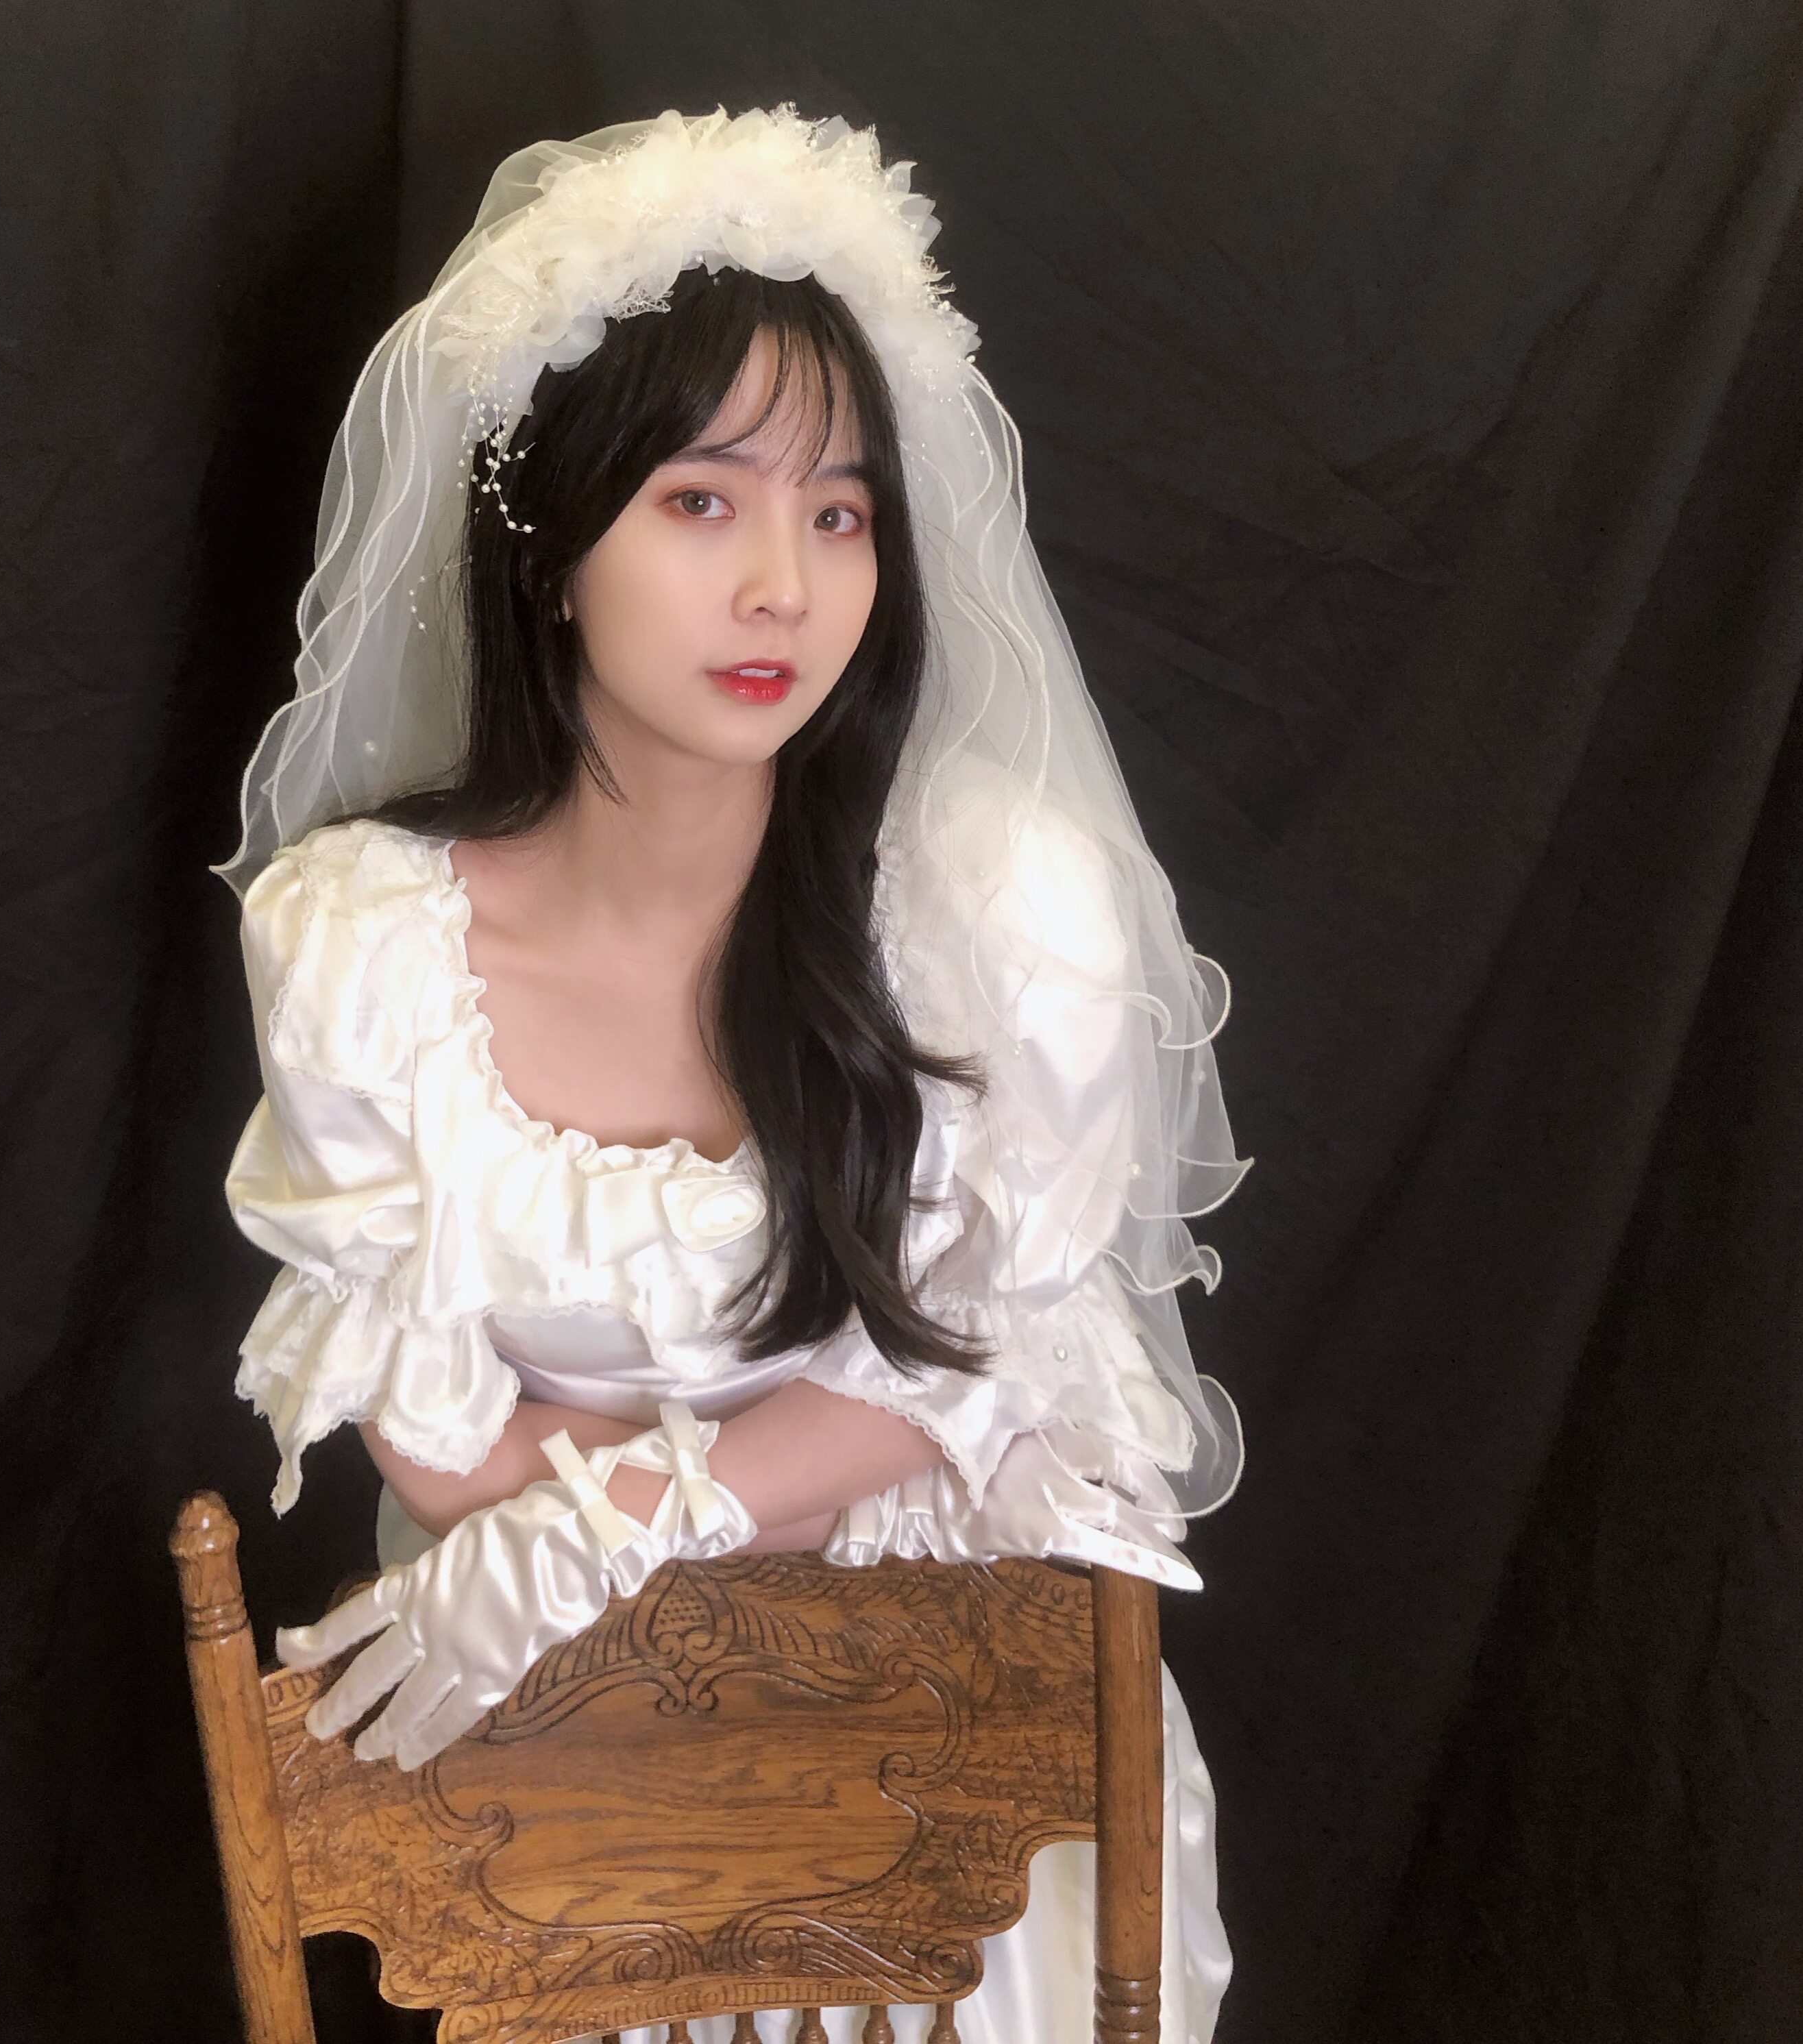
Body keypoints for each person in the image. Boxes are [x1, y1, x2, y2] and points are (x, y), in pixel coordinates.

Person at [218, 103, 1251, 2044]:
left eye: (839, 511)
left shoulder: (998, 915)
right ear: (549, 542)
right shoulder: (362, 948)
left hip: (952, 1722)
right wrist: (646, 1532)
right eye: (704, 501)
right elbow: (424, 1428)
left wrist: (599, 1526)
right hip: (576, 1762)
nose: (786, 582)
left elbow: (999, 1352)